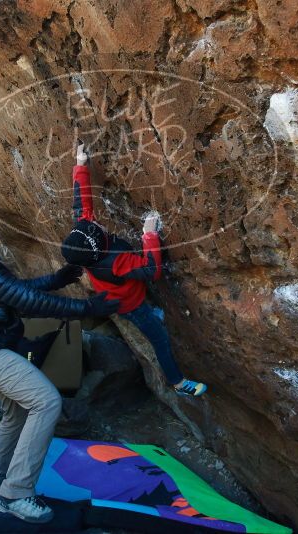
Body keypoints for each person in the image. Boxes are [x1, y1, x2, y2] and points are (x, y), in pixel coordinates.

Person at [0, 207, 119, 524]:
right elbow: (28, 302)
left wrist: (57, 279)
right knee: (46, 402)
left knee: (16, 412)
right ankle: (14, 494)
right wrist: (86, 307)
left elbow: (19, 291)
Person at [60, 143, 207, 397]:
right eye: (97, 228)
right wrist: (149, 236)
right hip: (131, 305)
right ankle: (178, 383)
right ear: (99, 246)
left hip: (119, 292)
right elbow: (152, 270)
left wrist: (80, 164)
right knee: (159, 338)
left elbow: (81, 201)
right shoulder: (115, 263)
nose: (96, 223)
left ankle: (154, 314)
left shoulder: (85, 236)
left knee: (148, 311)